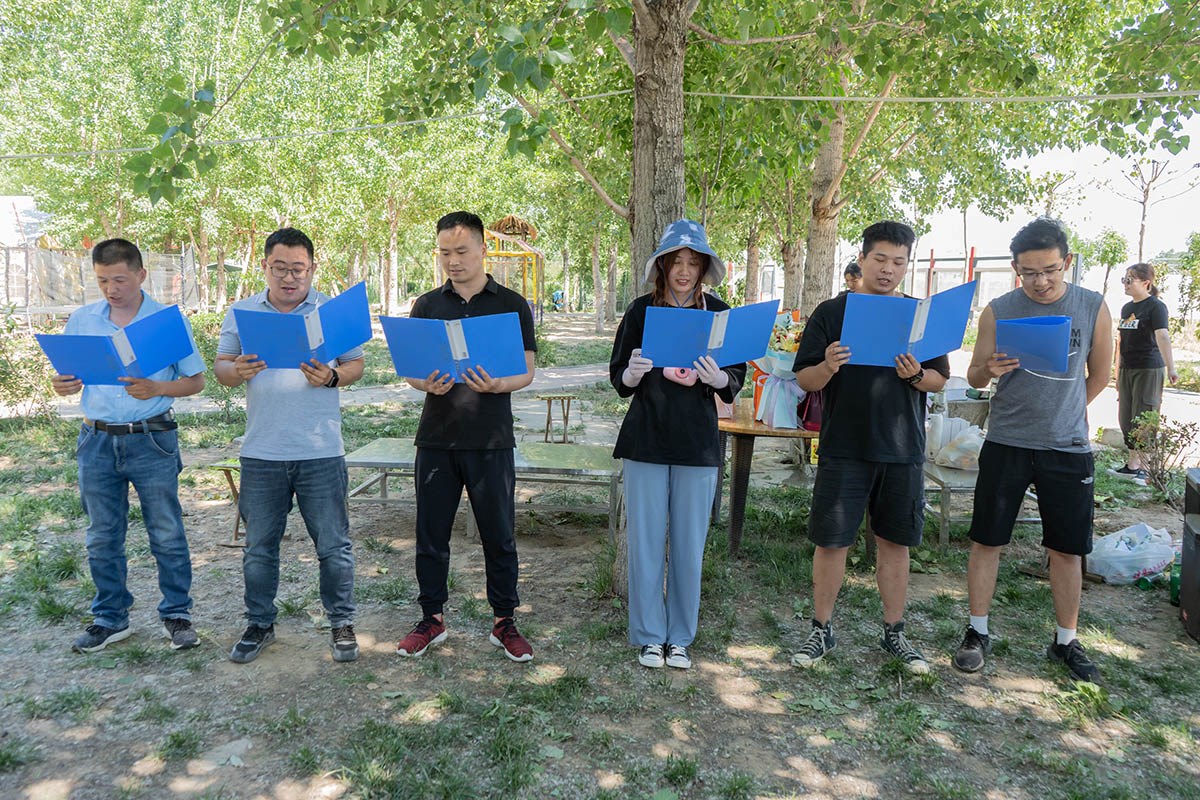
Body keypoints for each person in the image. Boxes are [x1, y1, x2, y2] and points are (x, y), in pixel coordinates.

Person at [953, 217, 1112, 682]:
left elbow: (1101, 374)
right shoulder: (999, 310)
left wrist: (1065, 412)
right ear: (1015, 269)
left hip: (1068, 446)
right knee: (987, 540)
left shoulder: (1092, 306)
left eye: (1049, 270)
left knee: (1067, 548)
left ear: (1067, 262)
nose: (1040, 281)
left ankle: (1066, 640)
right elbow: (976, 376)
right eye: (1029, 273)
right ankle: (977, 631)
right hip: (1007, 442)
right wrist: (990, 368)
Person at [791, 221, 949, 674]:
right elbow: (805, 379)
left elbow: (939, 379)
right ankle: (821, 628)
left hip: (902, 448)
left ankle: (894, 631)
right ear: (861, 259)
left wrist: (915, 376)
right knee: (831, 542)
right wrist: (828, 365)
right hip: (844, 445)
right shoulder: (831, 312)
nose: (888, 269)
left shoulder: (918, 315)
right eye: (880, 259)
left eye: (898, 262)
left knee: (895, 543)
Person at [215, 227, 364, 664]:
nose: (289, 277)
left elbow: (355, 364)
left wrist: (332, 377)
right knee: (259, 547)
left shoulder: (330, 312)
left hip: (321, 451)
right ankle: (259, 624)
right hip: (262, 451)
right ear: (265, 266)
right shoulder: (242, 312)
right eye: (279, 268)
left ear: (312, 268)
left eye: (298, 269)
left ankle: (341, 622)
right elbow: (222, 368)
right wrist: (237, 370)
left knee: (333, 546)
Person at [395, 211, 538, 663]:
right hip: (436, 438)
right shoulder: (426, 305)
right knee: (430, 535)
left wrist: (498, 384)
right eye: (444, 253)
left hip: (491, 439)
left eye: (461, 251)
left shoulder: (512, 305)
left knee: (499, 535)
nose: (453, 261)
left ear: (482, 249)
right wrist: (425, 382)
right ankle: (431, 619)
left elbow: (527, 370)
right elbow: (413, 372)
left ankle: (504, 621)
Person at [51, 238, 206, 653]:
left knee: (167, 532)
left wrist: (157, 387)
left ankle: (177, 615)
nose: (111, 289)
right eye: (103, 280)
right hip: (96, 440)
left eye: (119, 279)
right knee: (102, 535)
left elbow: (196, 381)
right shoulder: (82, 320)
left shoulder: (166, 322)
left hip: (152, 438)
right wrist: (64, 385)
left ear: (141, 274)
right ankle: (110, 618)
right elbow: (69, 380)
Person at [609, 219, 745, 670]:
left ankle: (681, 637)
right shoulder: (639, 311)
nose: (684, 271)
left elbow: (736, 379)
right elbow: (618, 378)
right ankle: (650, 636)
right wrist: (633, 373)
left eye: (693, 263)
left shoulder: (720, 314)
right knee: (646, 543)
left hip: (698, 444)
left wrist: (717, 378)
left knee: (689, 547)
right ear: (662, 266)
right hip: (646, 440)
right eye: (676, 262)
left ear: (704, 268)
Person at [1111, 262, 1178, 484]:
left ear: (1146, 283)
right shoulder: (1126, 309)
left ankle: (1145, 468)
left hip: (1149, 367)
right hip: (1127, 368)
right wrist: (1117, 372)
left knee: (1144, 414)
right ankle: (1132, 465)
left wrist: (1171, 367)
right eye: (1124, 279)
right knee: (1126, 416)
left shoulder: (1156, 307)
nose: (1125, 283)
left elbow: (1163, 336)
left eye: (1130, 279)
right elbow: (1121, 341)